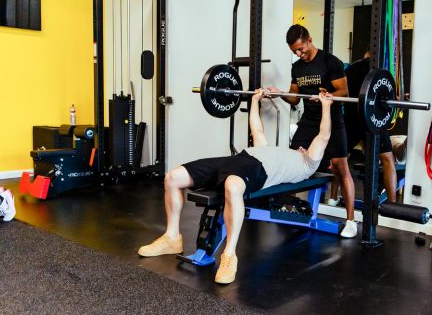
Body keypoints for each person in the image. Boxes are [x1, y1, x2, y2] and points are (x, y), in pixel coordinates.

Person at [138, 89, 333, 285]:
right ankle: (172, 237)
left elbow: (323, 136)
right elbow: (257, 129)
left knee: (232, 186)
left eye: (306, 147)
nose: (302, 147)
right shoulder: (272, 150)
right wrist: (255, 100)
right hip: (239, 158)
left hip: (258, 169)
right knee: (173, 177)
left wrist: (325, 106)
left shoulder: (308, 163)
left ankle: (229, 255)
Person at [265, 24, 357, 238]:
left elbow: (344, 91)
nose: (299, 53)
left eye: (301, 49)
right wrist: (279, 93)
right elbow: (295, 97)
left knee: (340, 167)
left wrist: (328, 94)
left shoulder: (329, 62)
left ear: (309, 40)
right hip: (309, 121)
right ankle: (290, 209)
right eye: (294, 51)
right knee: (292, 161)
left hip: (332, 120)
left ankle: (351, 221)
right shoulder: (297, 68)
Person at [342, 51, 399, 203]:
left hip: (352, 119)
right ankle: (392, 204)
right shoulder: (381, 73)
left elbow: (344, 94)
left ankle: (333, 197)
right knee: (388, 160)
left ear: (365, 53)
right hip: (373, 120)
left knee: (340, 161)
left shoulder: (350, 69)